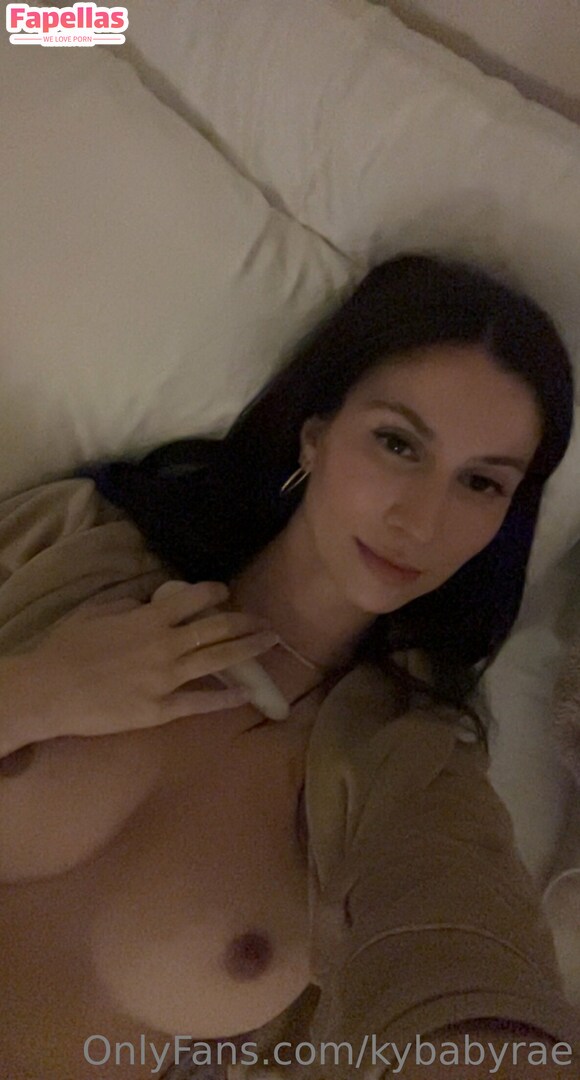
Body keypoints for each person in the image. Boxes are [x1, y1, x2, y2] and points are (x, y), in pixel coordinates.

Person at [0, 254, 578, 1079]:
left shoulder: (409, 773)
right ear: (315, 433)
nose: (422, 520)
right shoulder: (73, 544)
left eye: (481, 483)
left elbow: (466, 954)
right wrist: (33, 690)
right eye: (398, 443)